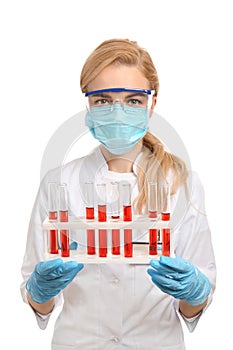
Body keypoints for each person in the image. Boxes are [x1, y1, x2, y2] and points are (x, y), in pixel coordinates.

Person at [20, 39, 216, 350]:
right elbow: (40, 302)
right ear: (88, 105)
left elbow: (191, 306)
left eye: (133, 101)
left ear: (152, 104)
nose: (118, 112)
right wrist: (40, 291)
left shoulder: (181, 182)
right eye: (103, 101)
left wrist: (193, 291)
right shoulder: (58, 182)